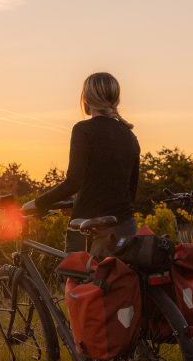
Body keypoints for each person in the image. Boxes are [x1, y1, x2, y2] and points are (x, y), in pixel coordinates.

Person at [23, 72, 140, 255]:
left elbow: (74, 181)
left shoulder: (83, 130)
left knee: (78, 282)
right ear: (116, 99)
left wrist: (38, 203)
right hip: (125, 228)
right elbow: (129, 191)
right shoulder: (129, 136)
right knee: (120, 282)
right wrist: (79, 202)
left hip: (89, 229)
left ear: (86, 99)